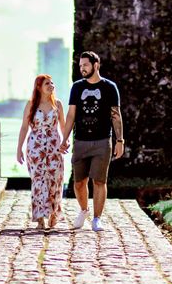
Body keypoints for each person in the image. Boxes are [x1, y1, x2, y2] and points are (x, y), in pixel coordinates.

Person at [59, 51, 124, 232]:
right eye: (80, 66)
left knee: (99, 181)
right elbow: (71, 114)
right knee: (79, 183)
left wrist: (120, 140)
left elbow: (115, 115)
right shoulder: (77, 87)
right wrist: (64, 139)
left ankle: (97, 218)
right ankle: (84, 210)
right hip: (80, 141)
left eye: (85, 65)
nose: (82, 69)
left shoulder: (110, 87)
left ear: (96, 65)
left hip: (103, 141)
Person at [17, 74, 66, 229]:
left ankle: (53, 214)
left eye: (52, 83)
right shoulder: (31, 104)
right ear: (39, 87)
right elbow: (24, 127)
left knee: (55, 180)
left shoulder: (58, 104)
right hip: (35, 148)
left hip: (54, 147)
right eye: (47, 83)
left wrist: (66, 142)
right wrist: (19, 149)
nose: (51, 85)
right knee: (38, 182)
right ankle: (39, 218)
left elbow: (63, 126)